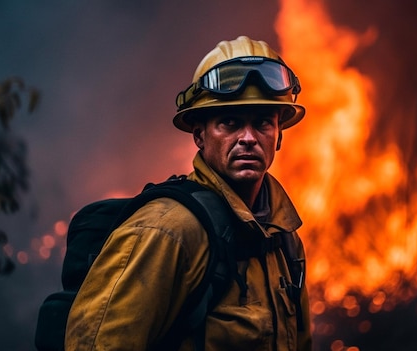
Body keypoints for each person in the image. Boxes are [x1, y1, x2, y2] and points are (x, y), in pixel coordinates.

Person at [65, 35, 312, 351]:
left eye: (263, 122)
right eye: (230, 122)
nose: (248, 137)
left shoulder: (285, 243)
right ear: (199, 135)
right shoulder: (167, 231)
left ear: (278, 136)